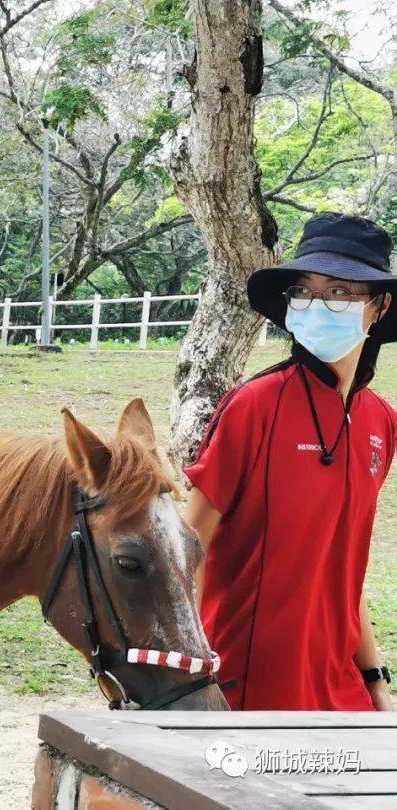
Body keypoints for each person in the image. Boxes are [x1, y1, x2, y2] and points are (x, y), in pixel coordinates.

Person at [184, 213, 396, 711]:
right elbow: (186, 549)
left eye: (341, 292)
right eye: (304, 291)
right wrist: (191, 678)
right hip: (244, 681)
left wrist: (376, 682)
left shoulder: (381, 423)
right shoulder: (255, 405)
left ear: (380, 306)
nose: (319, 305)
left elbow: (343, 566)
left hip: (340, 688)